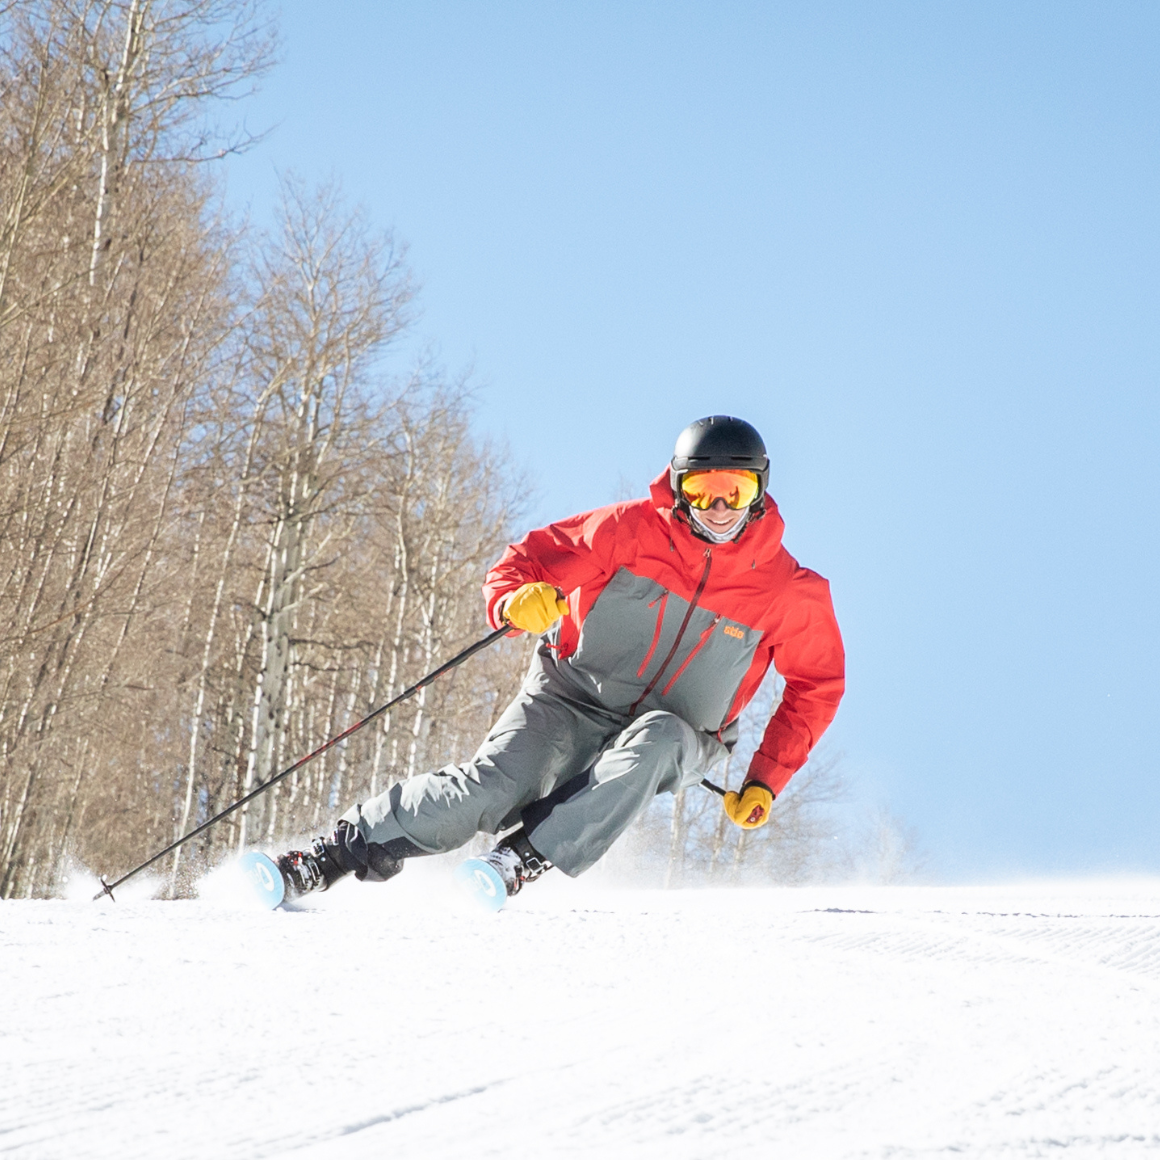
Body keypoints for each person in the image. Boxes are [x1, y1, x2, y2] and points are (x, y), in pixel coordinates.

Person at [274, 415, 845, 901]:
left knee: (660, 737)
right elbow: (524, 562)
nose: (719, 507)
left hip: (683, 733)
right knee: (489, 790)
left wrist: (766, 778)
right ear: (678, 488)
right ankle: (329, 857)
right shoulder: (626, 532)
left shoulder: (788, 591)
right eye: (702, 491)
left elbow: (816, 686)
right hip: (569, 699)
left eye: (736, 491)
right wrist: (513, 600)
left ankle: (520, 859)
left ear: (759, 491)